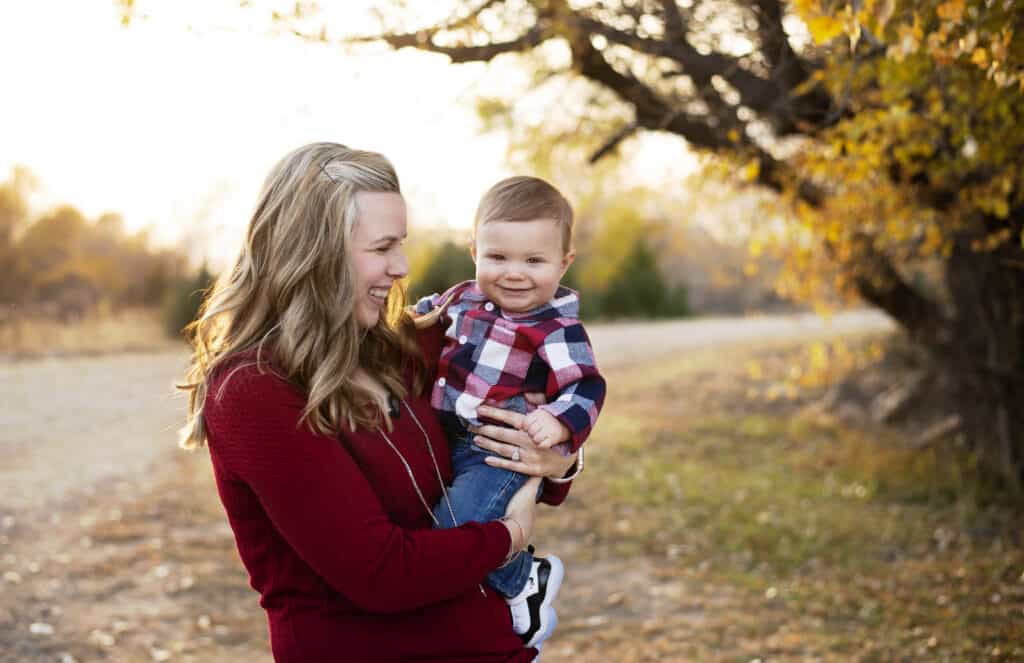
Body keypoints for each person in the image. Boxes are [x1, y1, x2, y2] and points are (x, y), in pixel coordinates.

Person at [178, 142, 580, 663]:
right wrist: (510, 536)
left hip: (492, 646)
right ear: (314, 253)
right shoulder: (253, 391)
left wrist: (561, 460)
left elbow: (533, 410)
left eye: (402, 244)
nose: (402, 266)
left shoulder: (404, 345)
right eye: (382, 247)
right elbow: (381, 574)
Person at [413, 176, 606, 647]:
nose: (514, 273)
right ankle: (521, 576)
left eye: (534, 261)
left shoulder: (557, 328)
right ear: (474, 250)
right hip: (448, 435)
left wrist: (558, 421)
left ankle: (522, 580)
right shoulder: (463, 298)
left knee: (454, 533)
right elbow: (423, 315)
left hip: (495, 451)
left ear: (564, 263)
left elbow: (585, 387)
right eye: (498, 258)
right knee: (444, 529)